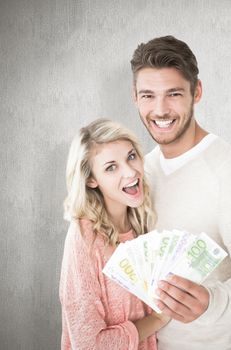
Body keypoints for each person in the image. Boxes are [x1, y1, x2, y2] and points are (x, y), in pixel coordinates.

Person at [130, 36, 231, 350]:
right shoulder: (139, 172)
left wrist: (212, 302)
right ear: (135, 97)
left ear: (196, 92)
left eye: (173, 94)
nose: (159, 109)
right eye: (148, 95)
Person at [59, 118, 170, 349]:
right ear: (91, 180)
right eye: (111, 167)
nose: (131, 172)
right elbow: (89, 344)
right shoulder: (84, 236)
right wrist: (157, 319)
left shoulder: (145, 223)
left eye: (131, 156)